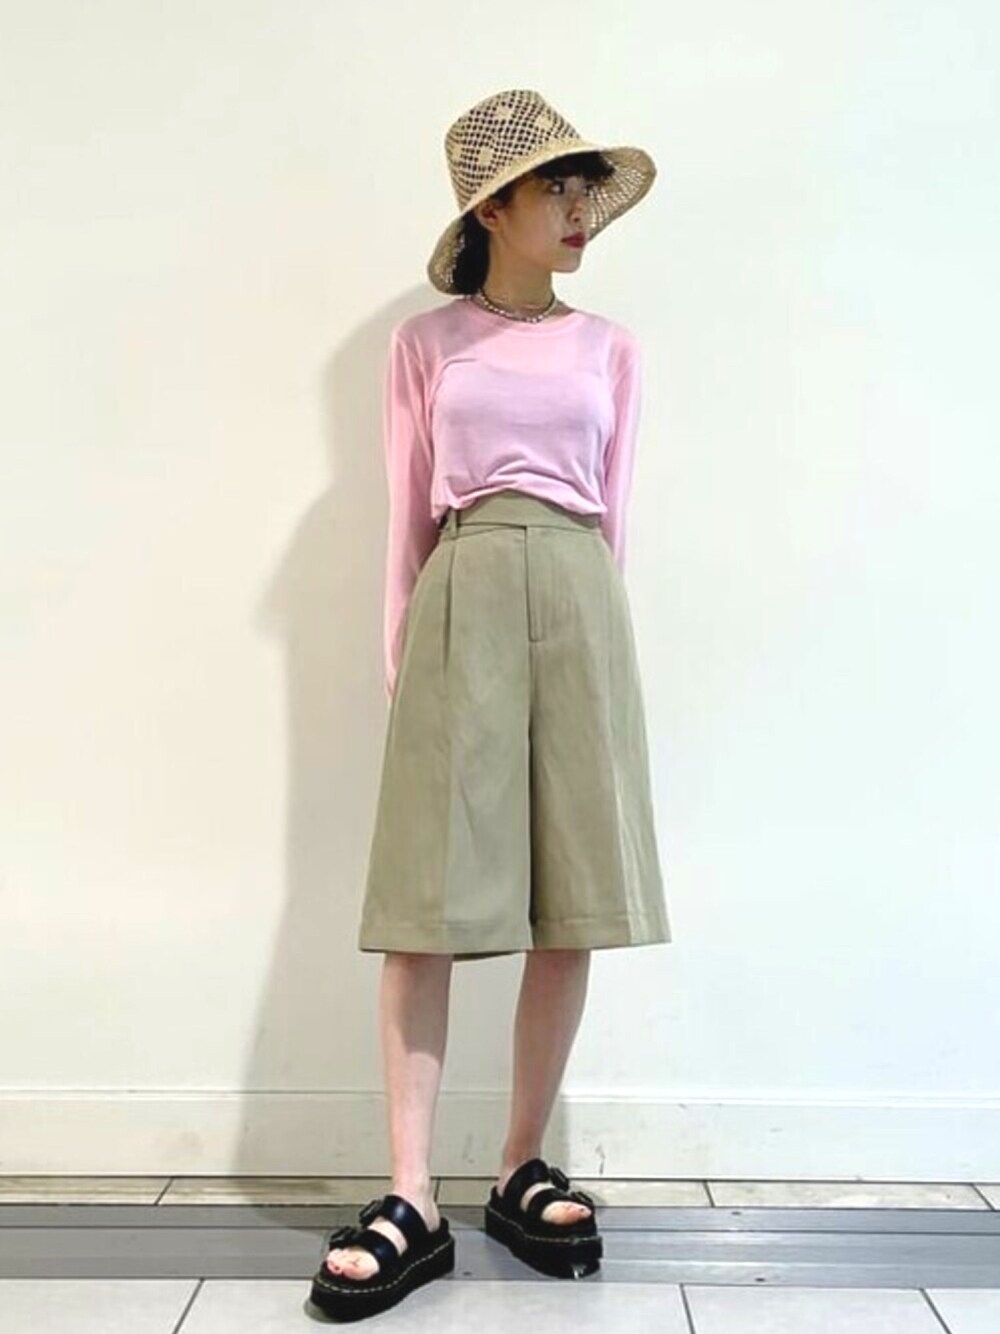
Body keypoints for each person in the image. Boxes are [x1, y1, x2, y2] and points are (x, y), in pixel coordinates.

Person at [309, 88, 672, 1323]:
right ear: (493, 209)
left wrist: (601, 650)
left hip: (577, 593)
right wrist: (402, 658)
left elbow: (614, 511)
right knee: (425, 907)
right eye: (554, 189)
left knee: (568, 897)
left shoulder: (611, 347)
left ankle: (519, 1163)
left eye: (583, 189)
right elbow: (405, 506)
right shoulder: (427, 344)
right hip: (461, 587)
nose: (577, 211)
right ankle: (410, 1193)